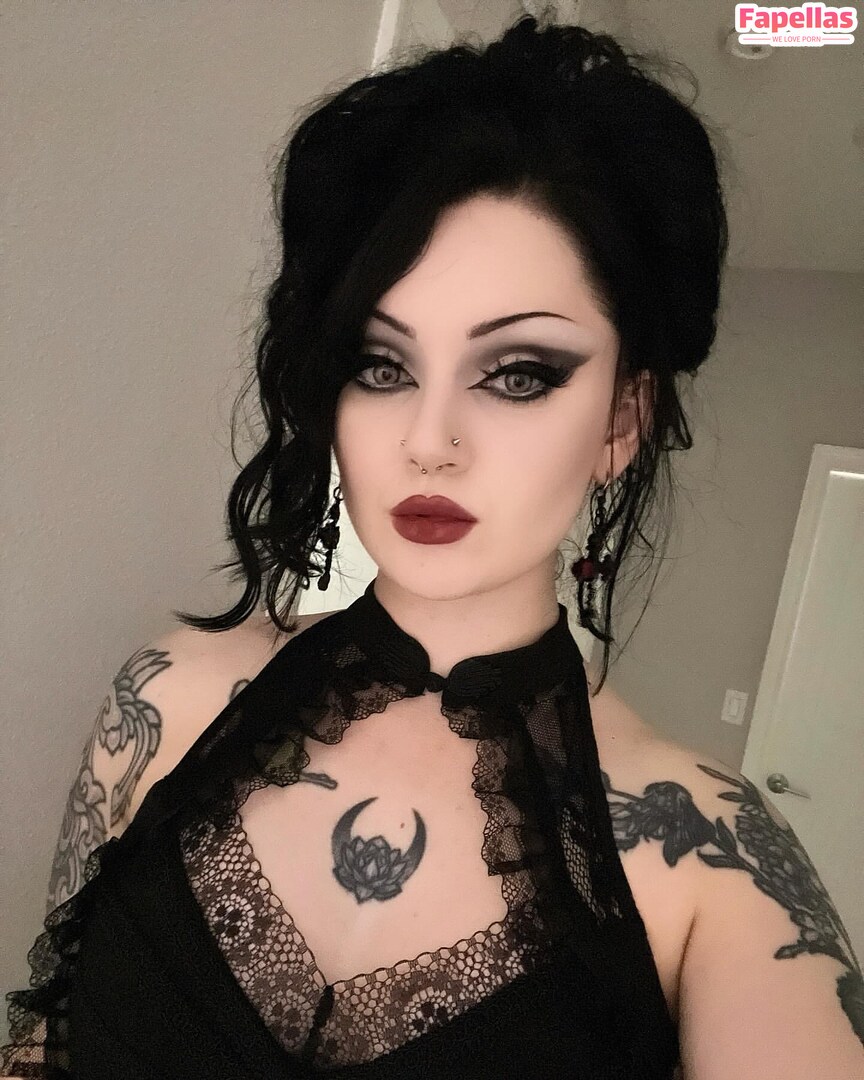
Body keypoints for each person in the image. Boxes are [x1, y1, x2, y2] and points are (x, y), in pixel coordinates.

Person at [3, 9, 862, 1079]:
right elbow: (38, 1048)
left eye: (517, 374)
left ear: (622, 419)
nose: (429, 440)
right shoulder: (166, 701)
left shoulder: (711, 869)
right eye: (382, 366)